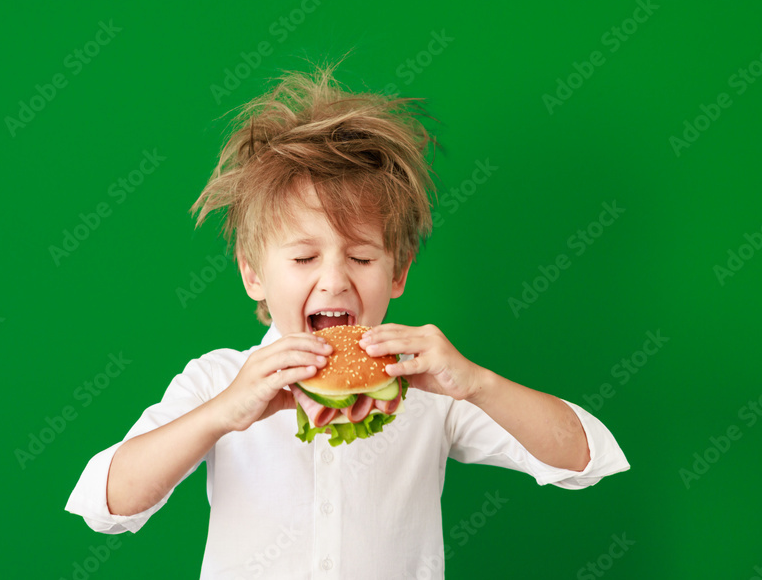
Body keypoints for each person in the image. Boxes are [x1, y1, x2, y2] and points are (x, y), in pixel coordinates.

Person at [64, 54, 630, 578]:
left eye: (361, 256)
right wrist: (221, 414)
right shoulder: (218, 380)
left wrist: (476, 383)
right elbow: (107, 503)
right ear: (253, 273)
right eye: (305, 256)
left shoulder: (430, 388)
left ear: (399, 272)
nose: (334, 279)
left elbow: (584, 458)